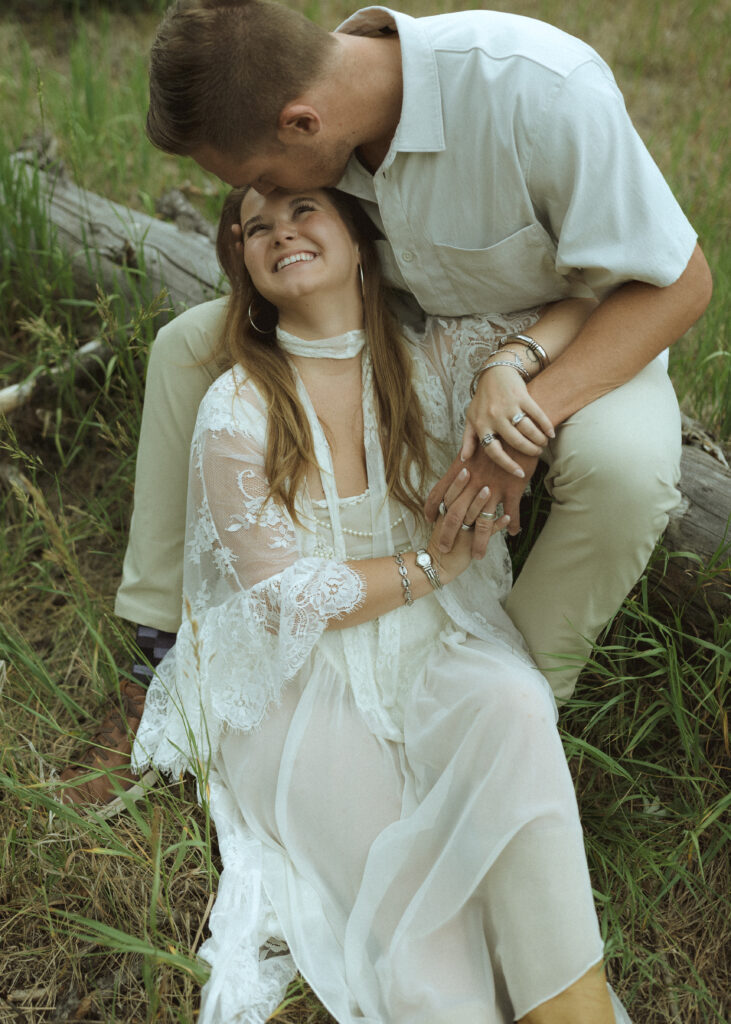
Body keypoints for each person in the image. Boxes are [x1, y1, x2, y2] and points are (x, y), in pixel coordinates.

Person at [60, 0, 711, 809]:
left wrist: (521, 413)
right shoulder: (328, 114)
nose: (254, 196)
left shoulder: (538, 91)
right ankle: (157, 649)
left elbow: (679, 285)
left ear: (300, 122)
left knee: (625, 476)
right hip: (403, 321)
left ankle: (511, 714)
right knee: (185, 349)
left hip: (583, 329)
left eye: (256, 178)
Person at [133, 182, 630, 1024]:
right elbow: (285, 590)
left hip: (434, 640)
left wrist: (511, 365)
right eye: (257, 228)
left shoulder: (433, 361)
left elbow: (580, 302)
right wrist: (427, 566)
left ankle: (568, 1007)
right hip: (300, 676)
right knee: (397, 879)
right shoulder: (237, 407)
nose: (280, 233)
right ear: (246, 269)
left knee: (512, 705)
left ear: (361, 242)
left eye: (301, 212)